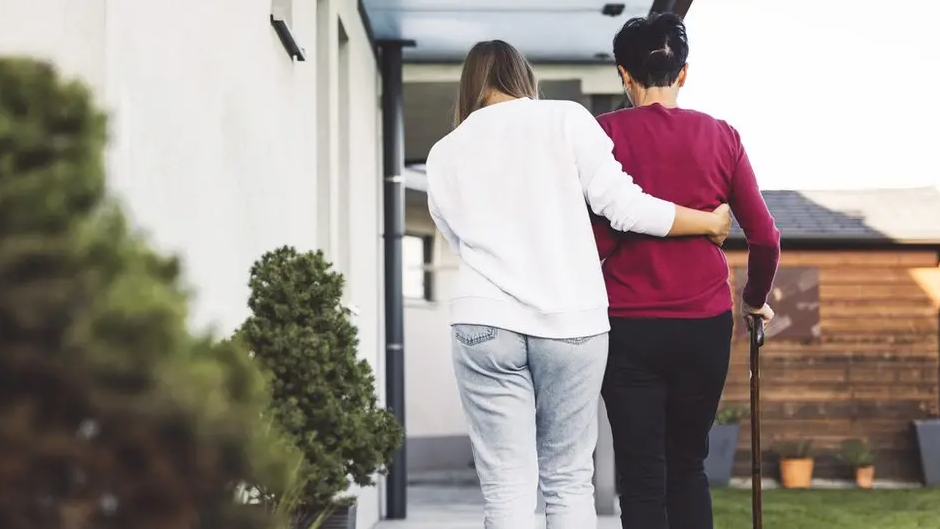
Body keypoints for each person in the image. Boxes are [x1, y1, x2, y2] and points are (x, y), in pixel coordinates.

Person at [425, 39, 733, 529]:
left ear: (471, 86)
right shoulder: (566, 120)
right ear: (523, 77)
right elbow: (625, 207)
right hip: (571, 321)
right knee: (568, 479)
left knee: (506, 485)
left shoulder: (444, 152)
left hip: (484, 319)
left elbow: (458, 239)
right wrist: (708, 222)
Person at [592, 13, 781, 529]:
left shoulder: (601, 135)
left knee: (641, 475)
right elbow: (764, 237)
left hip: (627, 326)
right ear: (683, 73)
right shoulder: (722, 136)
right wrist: (753, 298)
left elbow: (594, 238)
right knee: (687, 466)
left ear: (623, 76)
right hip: (703, 326)